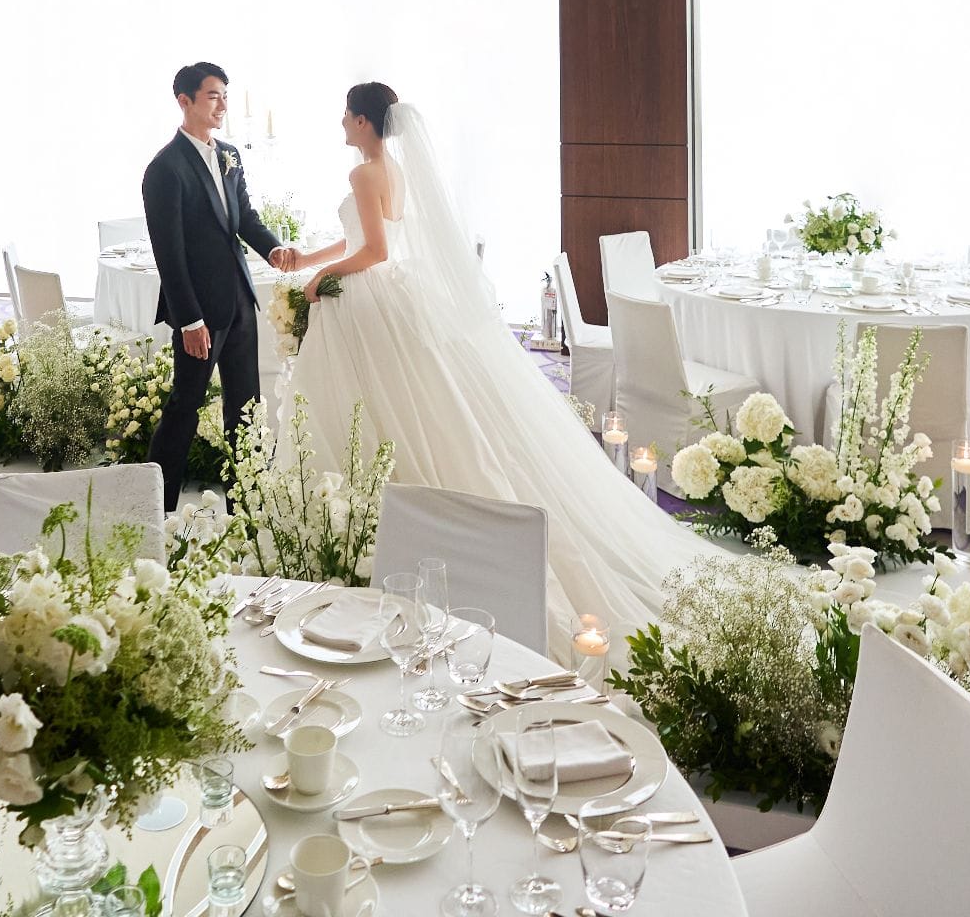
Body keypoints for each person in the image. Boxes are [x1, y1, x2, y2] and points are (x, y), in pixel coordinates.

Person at [282, 82, 717, 639]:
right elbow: (364, 238)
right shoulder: (397, 170)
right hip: (390, 295)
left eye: (346, 112)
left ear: (364, 121)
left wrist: (320, 276)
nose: (341, 120)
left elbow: (374, 250)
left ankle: (380, 521)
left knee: (378, 406)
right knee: (410, 404)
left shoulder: (362, 173)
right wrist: (308, 257)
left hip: (370, 297)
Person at [141, 62, 296, 509]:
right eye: (213, 96)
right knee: (184, 408)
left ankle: (246, 506)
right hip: (199, 315)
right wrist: (189, 319)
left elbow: (243, 219)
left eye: (225, 95)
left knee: (246, 408)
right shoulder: (164, 169)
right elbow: (168, 254)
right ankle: (155, 503)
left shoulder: (230, 155)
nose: (222, 105)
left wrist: (273, 250)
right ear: (184, 101)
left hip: (239, 302)